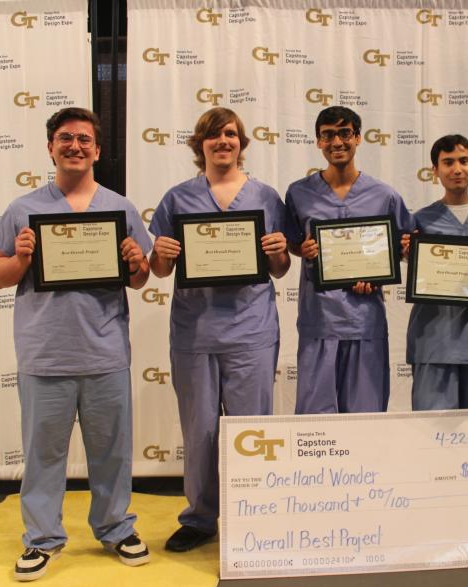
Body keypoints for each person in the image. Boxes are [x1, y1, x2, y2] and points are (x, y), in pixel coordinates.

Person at [0, 107, 152, 582]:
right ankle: (41, 539)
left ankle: (116, 528)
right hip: (45, 354)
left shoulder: (120, 208)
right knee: (43, 453)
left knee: (112, 452)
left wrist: (135, 260)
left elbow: (140, 279)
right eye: (65, 138)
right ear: (50, 147)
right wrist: (19, 258)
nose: (75, 146)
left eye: (84, 139)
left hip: (105, 353)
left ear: (97, 150)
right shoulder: (24, 209)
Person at [149, 107, 290, 552]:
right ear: (200, 144)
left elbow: (281, 269)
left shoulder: (266, 197)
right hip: (196, 332)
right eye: (213, 135)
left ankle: (256, 512)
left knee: (253, 431)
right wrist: (164, 253)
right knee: (201, 429)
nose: (222, 141)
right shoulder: (177, 199)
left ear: (241, 142)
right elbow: (157, 269)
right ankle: (200, 518)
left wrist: (278, 250)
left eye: (230, 133)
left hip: (251, 329)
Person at [284, 106, 415, 414]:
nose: (337, 142)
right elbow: (291, 242)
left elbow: (402, 248)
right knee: (316, 423)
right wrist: (301, 250)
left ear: (358, 138)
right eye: (328, 135)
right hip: (319, 319)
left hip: (364, 320)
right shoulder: (298, 193)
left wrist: (386, 268)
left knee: (364, 417)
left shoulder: (385, 196)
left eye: (345, 133)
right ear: (318, 142)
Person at [405, 134, 468, 410]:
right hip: (432, 341)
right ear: (435, 171)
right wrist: (407, 253)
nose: (457, 169)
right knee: (431, 435)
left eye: (463, 161)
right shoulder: (419, 220)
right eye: (447, 162)